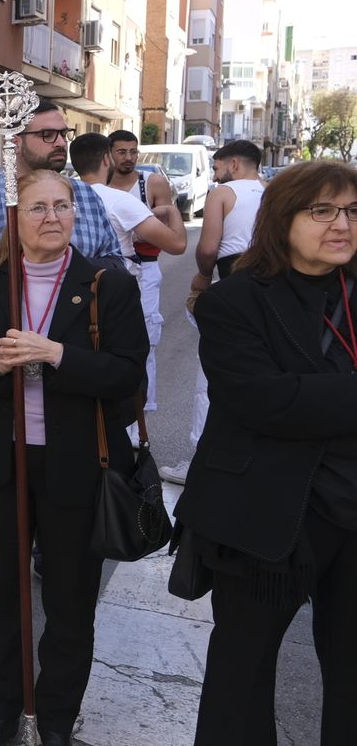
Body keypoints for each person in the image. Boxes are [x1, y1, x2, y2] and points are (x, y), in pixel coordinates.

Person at [0, 170, 148, 746]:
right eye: (37, 208)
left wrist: (57, 354)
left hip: (76, 462)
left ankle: (54, 717)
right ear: (16, 218)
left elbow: (128, 376)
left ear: (76, 214)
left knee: (69, 597)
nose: (51, 217)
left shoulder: (109, 284)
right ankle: (3, 708)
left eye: (62, 206)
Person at [177, 160, 357, 745]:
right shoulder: (235, 301)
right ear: (283, 219)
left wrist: (311, 401)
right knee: (242, 673)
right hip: (263, 517)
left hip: (350, 509)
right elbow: (263, 403)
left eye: (353, 212)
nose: (342, 225)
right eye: (323, 211)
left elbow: (292, 399)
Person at [0, 101, 121, 318]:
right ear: (16, 142)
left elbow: (115, 261)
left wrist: (64, 266)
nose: (60, 142)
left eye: (63, 133)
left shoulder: (87, 197)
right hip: (1, 344)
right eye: (47, 134)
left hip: (73, 346)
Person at [165, 140, 265, 486]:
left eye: (218, 166)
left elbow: (208, 246)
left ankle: (201, 458)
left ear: (234, 164)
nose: (215, 173)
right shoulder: (273, 191)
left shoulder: (222, 194)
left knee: (210, 369)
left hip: (233, 278)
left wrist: (203, 276)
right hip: (272, 282)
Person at [105, 129, 175, 415]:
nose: (129, 157)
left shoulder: (152, 182)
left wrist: (142, 227)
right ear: (108, 154)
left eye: (133, 151)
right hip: (109, 270)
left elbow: (168, 230)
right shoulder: (100, 183)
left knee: (144, 341)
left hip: (145, 269)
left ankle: (140, 417)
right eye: (122, 151)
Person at [67, 134, 187, 272]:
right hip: (117, 282)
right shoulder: (120, 200)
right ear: (107, 159)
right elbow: (177, 244)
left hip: (77, 280)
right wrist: (173, 211)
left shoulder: (64, 197)